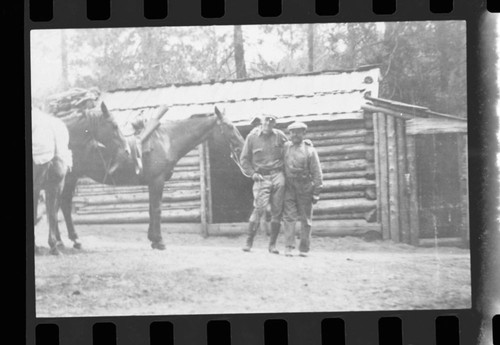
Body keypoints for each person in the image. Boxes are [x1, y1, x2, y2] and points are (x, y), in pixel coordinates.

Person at [240, 114, 287, 254]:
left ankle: (272, 245)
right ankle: (249, 242)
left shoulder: (280, 136)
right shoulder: (252, 137)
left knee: (277, 211)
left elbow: (290, 149)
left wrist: (305, 142)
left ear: (274, 124)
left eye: (271, 122)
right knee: (258, 209)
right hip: (262, 177)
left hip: (278, 175)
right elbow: (244, 159)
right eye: (266, 121)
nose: (268, 124)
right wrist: (253, 173)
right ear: (261, 122)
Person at [282, 122, 323, 257]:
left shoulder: (310, 150)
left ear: (303, 134)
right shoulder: (286, 147)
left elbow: (317, 173)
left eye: (298, 132)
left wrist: (316, 192)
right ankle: (289, 247)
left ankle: (304, 249)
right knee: (289, 217)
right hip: (289, 187)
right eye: (292, 132)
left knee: (306, 219)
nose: (295, 135)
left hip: (305, 186)